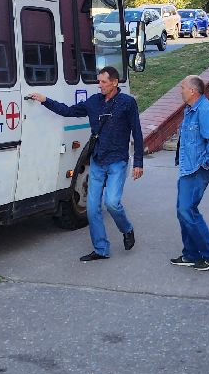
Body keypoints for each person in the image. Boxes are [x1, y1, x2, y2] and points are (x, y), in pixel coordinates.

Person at [29, 65, 143, 262]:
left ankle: (127, 229)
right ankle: (101, 249)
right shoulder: (94, 102)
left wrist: (138, 162)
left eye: (103, 82)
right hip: (97, 160)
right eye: (99, 81)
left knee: (112, 203)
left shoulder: (128, 103)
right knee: (91, 209)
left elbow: (137, 133)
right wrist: (45, 100)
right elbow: (68, 111)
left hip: (117, 161)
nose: (99, 85)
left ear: (115, 83)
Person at [171, 75, 209, 271]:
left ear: (193, 91)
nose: (181, 90)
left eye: (183, 87)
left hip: (196, 170)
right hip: (188, 168)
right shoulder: (191, 109)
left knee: (187, 210)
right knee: (183, 211)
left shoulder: (204, 110)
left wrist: (205, 163)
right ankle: (191, 254)